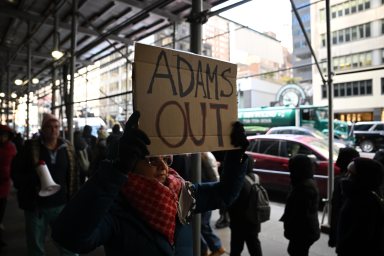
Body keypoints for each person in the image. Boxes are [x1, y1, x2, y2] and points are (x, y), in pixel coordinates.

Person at [51, 111, 250, 256]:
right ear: (129, 164)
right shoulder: (115, 211)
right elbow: (69, 237)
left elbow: (225, 194)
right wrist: (116, 171)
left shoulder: (181, 193)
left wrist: (236, 157)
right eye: (151, 160)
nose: (163, 167)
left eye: (166, 159)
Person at [11, 113, 79, 256]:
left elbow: (74, 175)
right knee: (36, 246)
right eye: (49, 127)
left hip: (61, 204)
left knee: (68, 244)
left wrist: (74, 199)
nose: (53, 130)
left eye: (56, 126)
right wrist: (32, 180)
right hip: (36, 206)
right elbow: (16, 172)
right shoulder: (30, 148)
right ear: (42, 129)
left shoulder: (67, 148)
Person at [336, 157, 384, 256]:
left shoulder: (367, 202)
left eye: (351, 174)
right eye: (347, 172)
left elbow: (362, 237)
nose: (346, 177)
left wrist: (343, 247)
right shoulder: (353, 196)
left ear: (363, 177)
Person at [280, 154, 320, 256]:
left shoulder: (304, 188)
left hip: (302, 233)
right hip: (306, 231)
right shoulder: (304, 182)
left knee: (296, 251)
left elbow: (299, 215)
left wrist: (289, 230)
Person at [228, 157, 263, 256]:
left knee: (236, 248)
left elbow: (232, 202)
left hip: (239, 222)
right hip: (254, 219)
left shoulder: (239, 181)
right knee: (254, 245)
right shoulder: (257, 177)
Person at [328, 147, 359, 248]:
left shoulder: (342, 182)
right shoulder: (362, 184)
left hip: (345, 235)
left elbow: (336, 210)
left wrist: (333, 236)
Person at [200, 152, 225, 256]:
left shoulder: (203, 155)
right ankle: (206, 249)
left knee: (202, 225)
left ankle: (216, 247)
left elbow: (214, 178)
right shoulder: (206, 155)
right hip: (204, 194)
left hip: (203, 194)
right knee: (200, 225)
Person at [0, 125, 17, 248]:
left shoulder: (11, 148)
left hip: (4, 186)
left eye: (5, 135)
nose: (2, 138)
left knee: (1, 212)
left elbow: (15, 165)